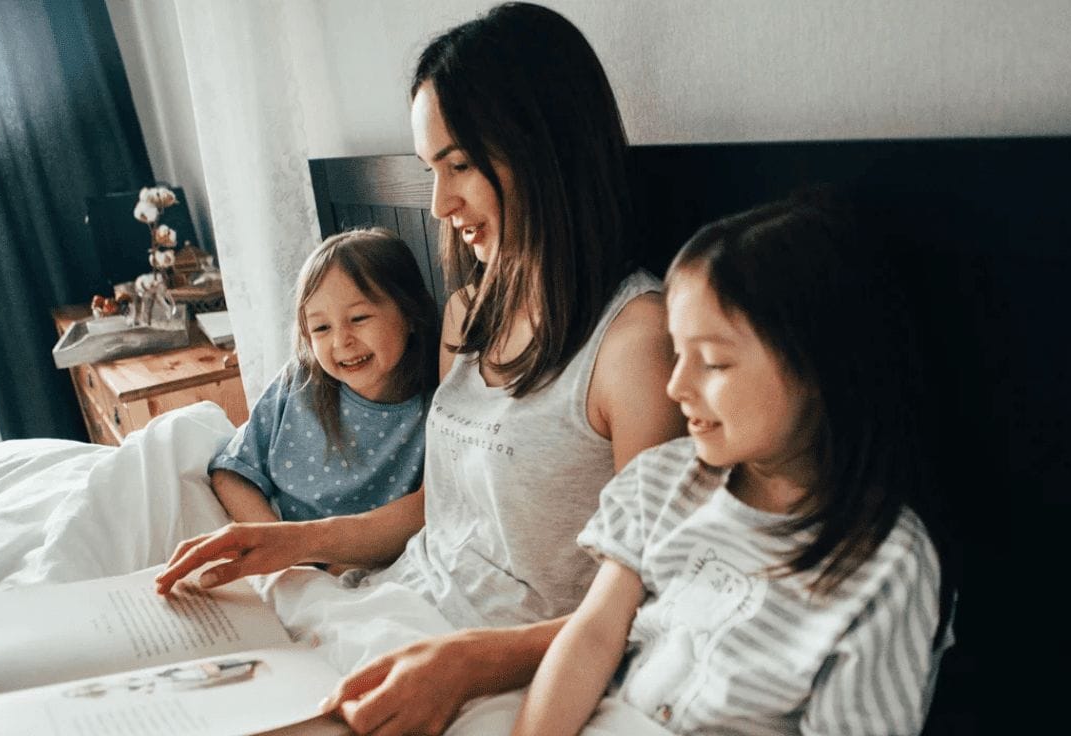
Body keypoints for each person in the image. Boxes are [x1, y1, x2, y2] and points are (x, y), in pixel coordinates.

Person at [154, 3, 684, 734]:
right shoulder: (471, 311)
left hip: (503, 657)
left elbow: (648, 597)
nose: (439, 204)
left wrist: (465, 663)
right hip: (397, 601)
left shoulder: (635, 343)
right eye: (431, 169)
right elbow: (445, 510)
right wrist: (289, 541)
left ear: (545, 148)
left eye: (459, 165)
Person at [512, 190, 954, 735]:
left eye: (715, 362)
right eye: (678, 354)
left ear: (820, 372)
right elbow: (591, 637)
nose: (677, 387)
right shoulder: (662, 482)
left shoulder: (887, 562)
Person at [206, 227, 437, 524]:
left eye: (359, 318)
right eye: (321, 328)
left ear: (411, 314)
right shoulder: (301, 380)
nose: (341, 342)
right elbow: (230, 473)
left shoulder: (434, 407)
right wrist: (283, 548)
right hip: (279, 536)